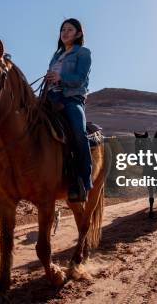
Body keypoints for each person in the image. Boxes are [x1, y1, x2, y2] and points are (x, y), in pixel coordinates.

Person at [45, 18, 92, 202]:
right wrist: (49, 78)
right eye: (62, 29)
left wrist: (60, 77)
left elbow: (80, 78)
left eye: (69, 29)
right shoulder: (56, 55)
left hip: (72, 98)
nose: (64, 32)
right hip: (50, 97)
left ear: (78, 34)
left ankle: (84, 183)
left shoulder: (83, 53)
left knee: (79, 133)